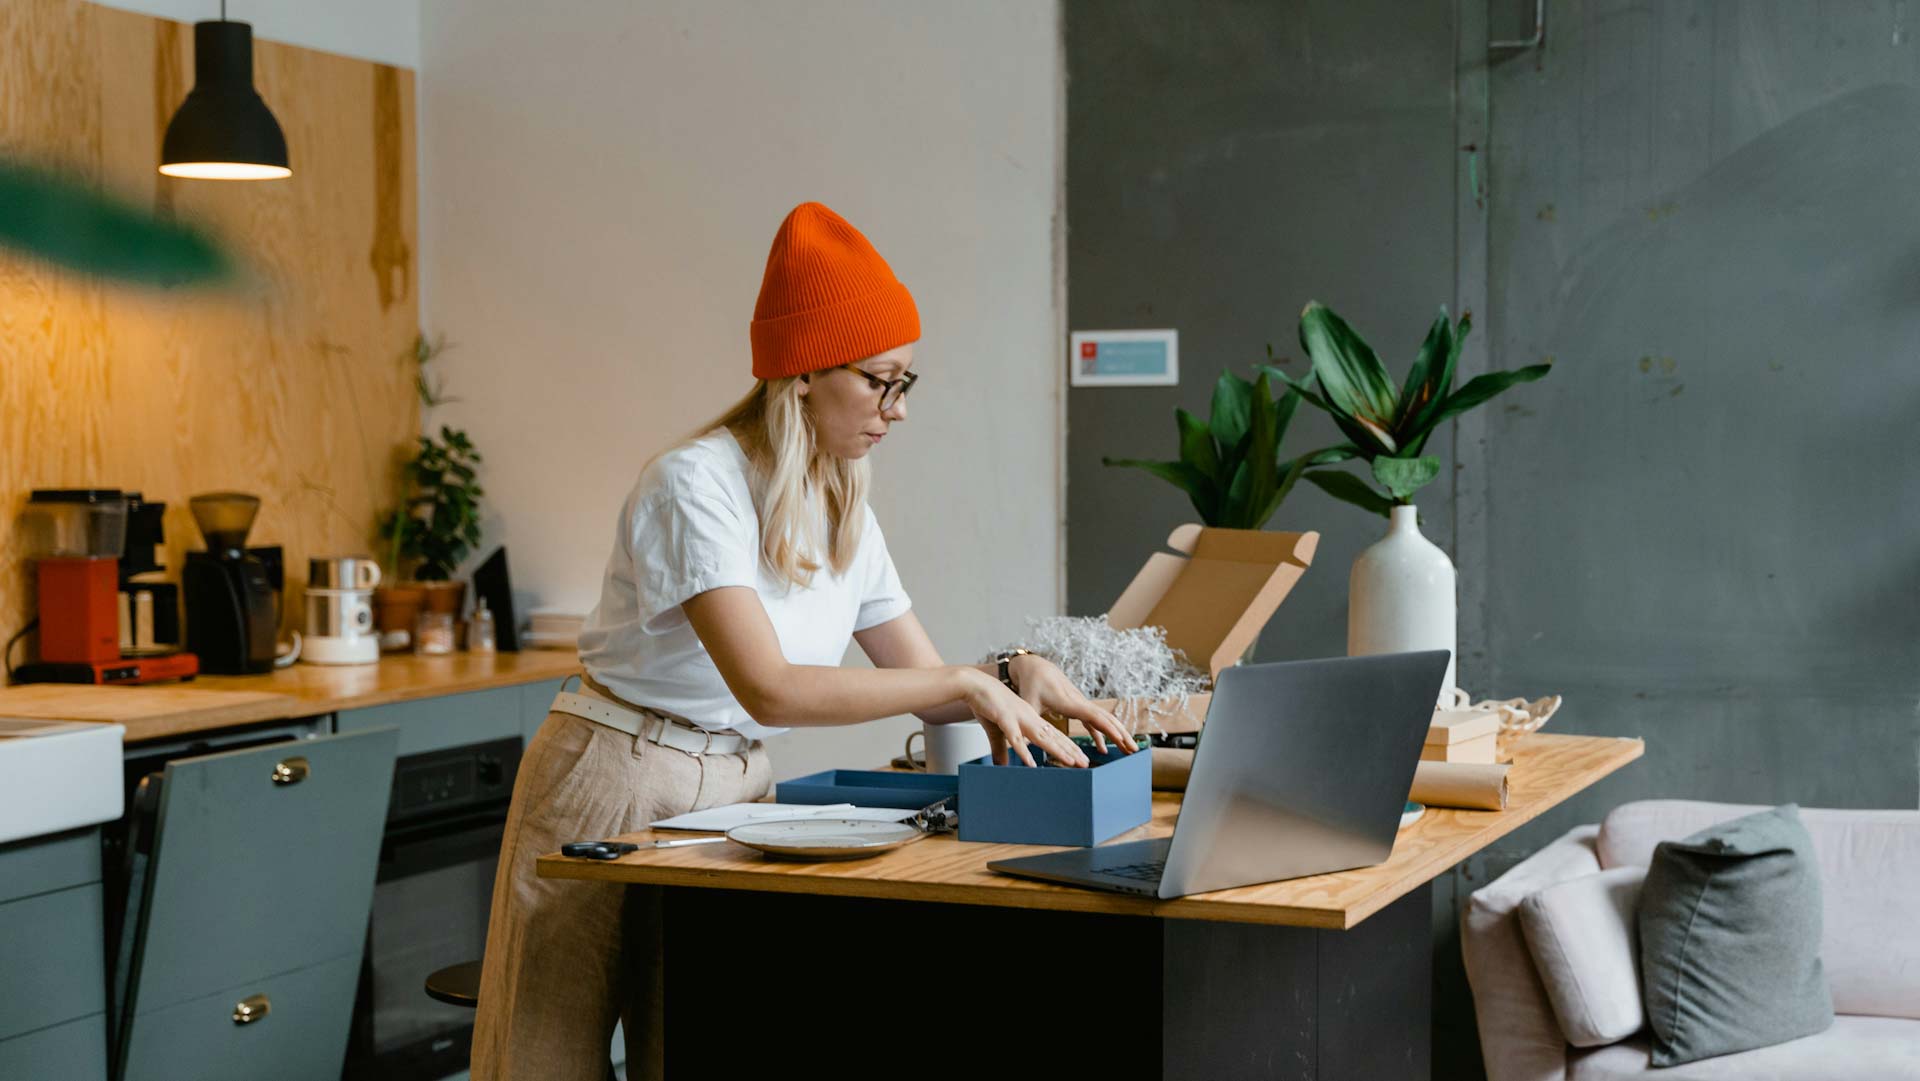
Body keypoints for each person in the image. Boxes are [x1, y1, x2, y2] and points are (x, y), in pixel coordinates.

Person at [470, 201, 1135, 1080]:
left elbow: (921, 675)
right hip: (617, 773)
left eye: (907, 384)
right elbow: (772, 686)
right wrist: (974, 686)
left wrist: (1009, 673)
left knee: (702, 1041)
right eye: (881, 381)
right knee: (543, 1059)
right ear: (805, 373)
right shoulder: (693, 483)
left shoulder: (843, 500)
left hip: (738, 783)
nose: (897, 410)